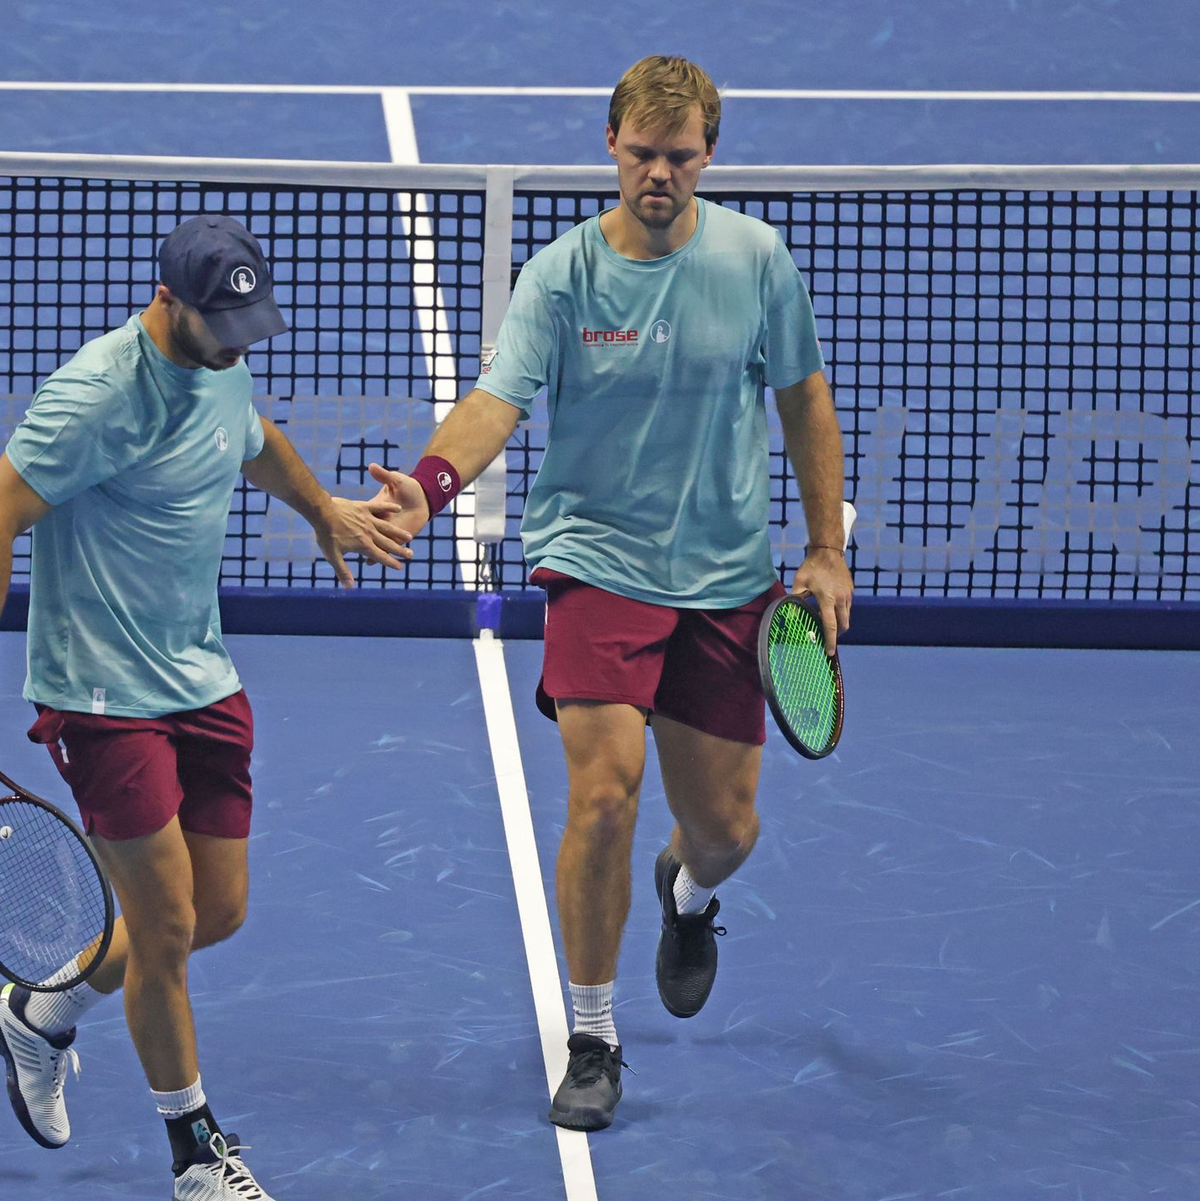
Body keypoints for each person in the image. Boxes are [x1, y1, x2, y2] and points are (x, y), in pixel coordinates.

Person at [369, 55, 853, 1131]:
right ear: (611, 147)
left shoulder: (756, 261)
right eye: (642, 153)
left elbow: (804, 397)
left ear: (709, 157)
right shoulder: (562, 275)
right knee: (601, 795)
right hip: (596, 565)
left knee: (725, 828)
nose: (660, 175)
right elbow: (497, 399)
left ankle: (688, 890)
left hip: (727, 582)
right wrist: (430, 487)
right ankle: (594, 1036)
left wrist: (825, 547)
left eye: (681, 157)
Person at [0, 215, 411, 1198]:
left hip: (200, 678)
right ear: (167, 300)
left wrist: (323, 508)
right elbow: (3, 509)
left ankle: (39, 1013)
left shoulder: (221, 355)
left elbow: (251, 436)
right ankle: (195, 1153)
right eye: (219, 323)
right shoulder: (94, 399)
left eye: (246, 323)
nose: (237, 342)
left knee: (215, 910)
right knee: (169, 926)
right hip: (101, 693)